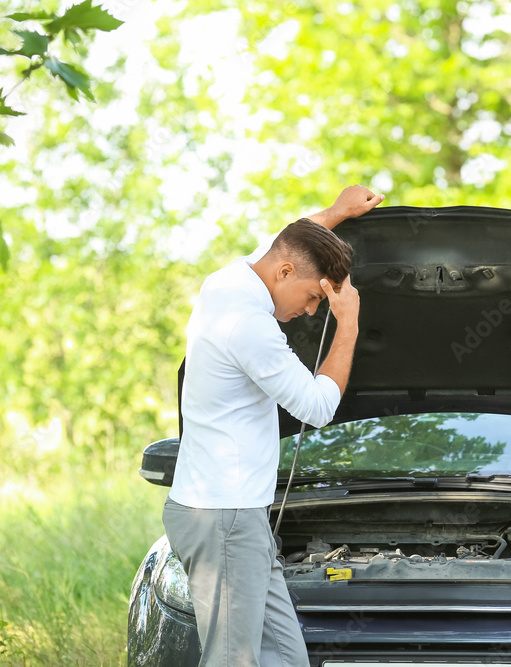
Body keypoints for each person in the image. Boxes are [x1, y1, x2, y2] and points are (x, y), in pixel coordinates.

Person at [162, 185, 385, 666]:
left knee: (286, 658)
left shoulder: (229, 279)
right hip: (224, 517)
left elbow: (286, 242)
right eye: (310, 296)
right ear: (284, 273)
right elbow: (319, 407)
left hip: (236, 515)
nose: (310, 310)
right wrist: (347, 324)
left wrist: (337, 213)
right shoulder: (249, 325)